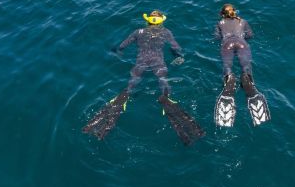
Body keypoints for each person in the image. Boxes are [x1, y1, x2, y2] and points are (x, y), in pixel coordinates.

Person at [83, 10, 205, 145]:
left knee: (131, 84)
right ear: (161, 22)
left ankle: (122, 98)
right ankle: (166, 99)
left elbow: (122, 46)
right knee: (163, 81)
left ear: (147, 21)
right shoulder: (165, 32)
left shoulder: (138, 32)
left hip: (141, 62)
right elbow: (176, 47)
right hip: (158, 62)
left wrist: (117, 52)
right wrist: (178, 56)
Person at [213, 4, 270, 127]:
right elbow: (250, 35)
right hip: (242, 43)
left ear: (222, 14)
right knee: (246, 66)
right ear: (234, 12)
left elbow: (217, 37)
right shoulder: (243, 21)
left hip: (227, 44)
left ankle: (229, 78)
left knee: (227, 66)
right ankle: (247, 79)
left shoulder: (220, 23)